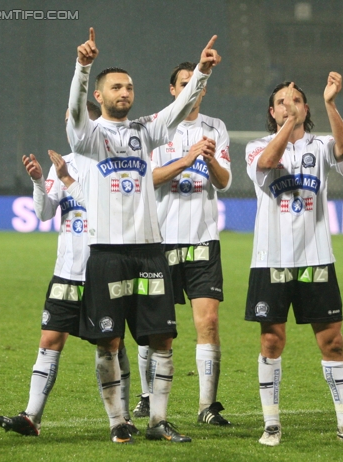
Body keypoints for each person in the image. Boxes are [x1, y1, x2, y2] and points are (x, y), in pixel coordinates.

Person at [67, 28, 220, 444]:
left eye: (129, 87)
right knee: (109, 339)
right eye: (116, 86)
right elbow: (75, 112)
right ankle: (118, 420)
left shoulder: (144, 130)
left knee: (162, 335)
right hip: (107, 252)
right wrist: (84, 67)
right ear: (99, 95)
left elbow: (178, 107)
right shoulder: (88, 136)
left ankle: (158, 421)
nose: (125, 92)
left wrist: (202, 73)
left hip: (151, 249)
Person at [244, 75, 343, 446]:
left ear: (307, 108)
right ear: (272, 112)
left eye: (296, 101)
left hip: (316, 258)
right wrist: (288, 124)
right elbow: (270, 161)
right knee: (272, 341)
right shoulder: (256, 147)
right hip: (270, 259)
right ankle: (271, 424)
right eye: (282, 102)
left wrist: (331, 103)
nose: (289, 105)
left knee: (333, 342)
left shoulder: (320, 146)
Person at [0, 102, 139, 436]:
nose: (69, 128)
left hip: (104, 273)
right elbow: (45, 213)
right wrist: (37, 181)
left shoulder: (112, 164)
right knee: (50, 339)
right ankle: (31, 417)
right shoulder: (62, 163)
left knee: (111, 345)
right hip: (67, 271)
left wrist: (69, 181)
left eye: (75, 120)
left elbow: (115, 212)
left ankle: (122, 420)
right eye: (66, 122)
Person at [132, 62, 232, 426]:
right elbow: (147, 179)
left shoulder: (215, 128)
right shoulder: (152, 128)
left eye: (198, 84)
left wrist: (208, 160)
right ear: (173, 90)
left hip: (203, 239)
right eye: (185, 84)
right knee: (155, 328)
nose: (193, 90)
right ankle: (146, 397)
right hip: (158, 241)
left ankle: (207, 406)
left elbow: (222, 181)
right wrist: (186, 160)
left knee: (208, 322)